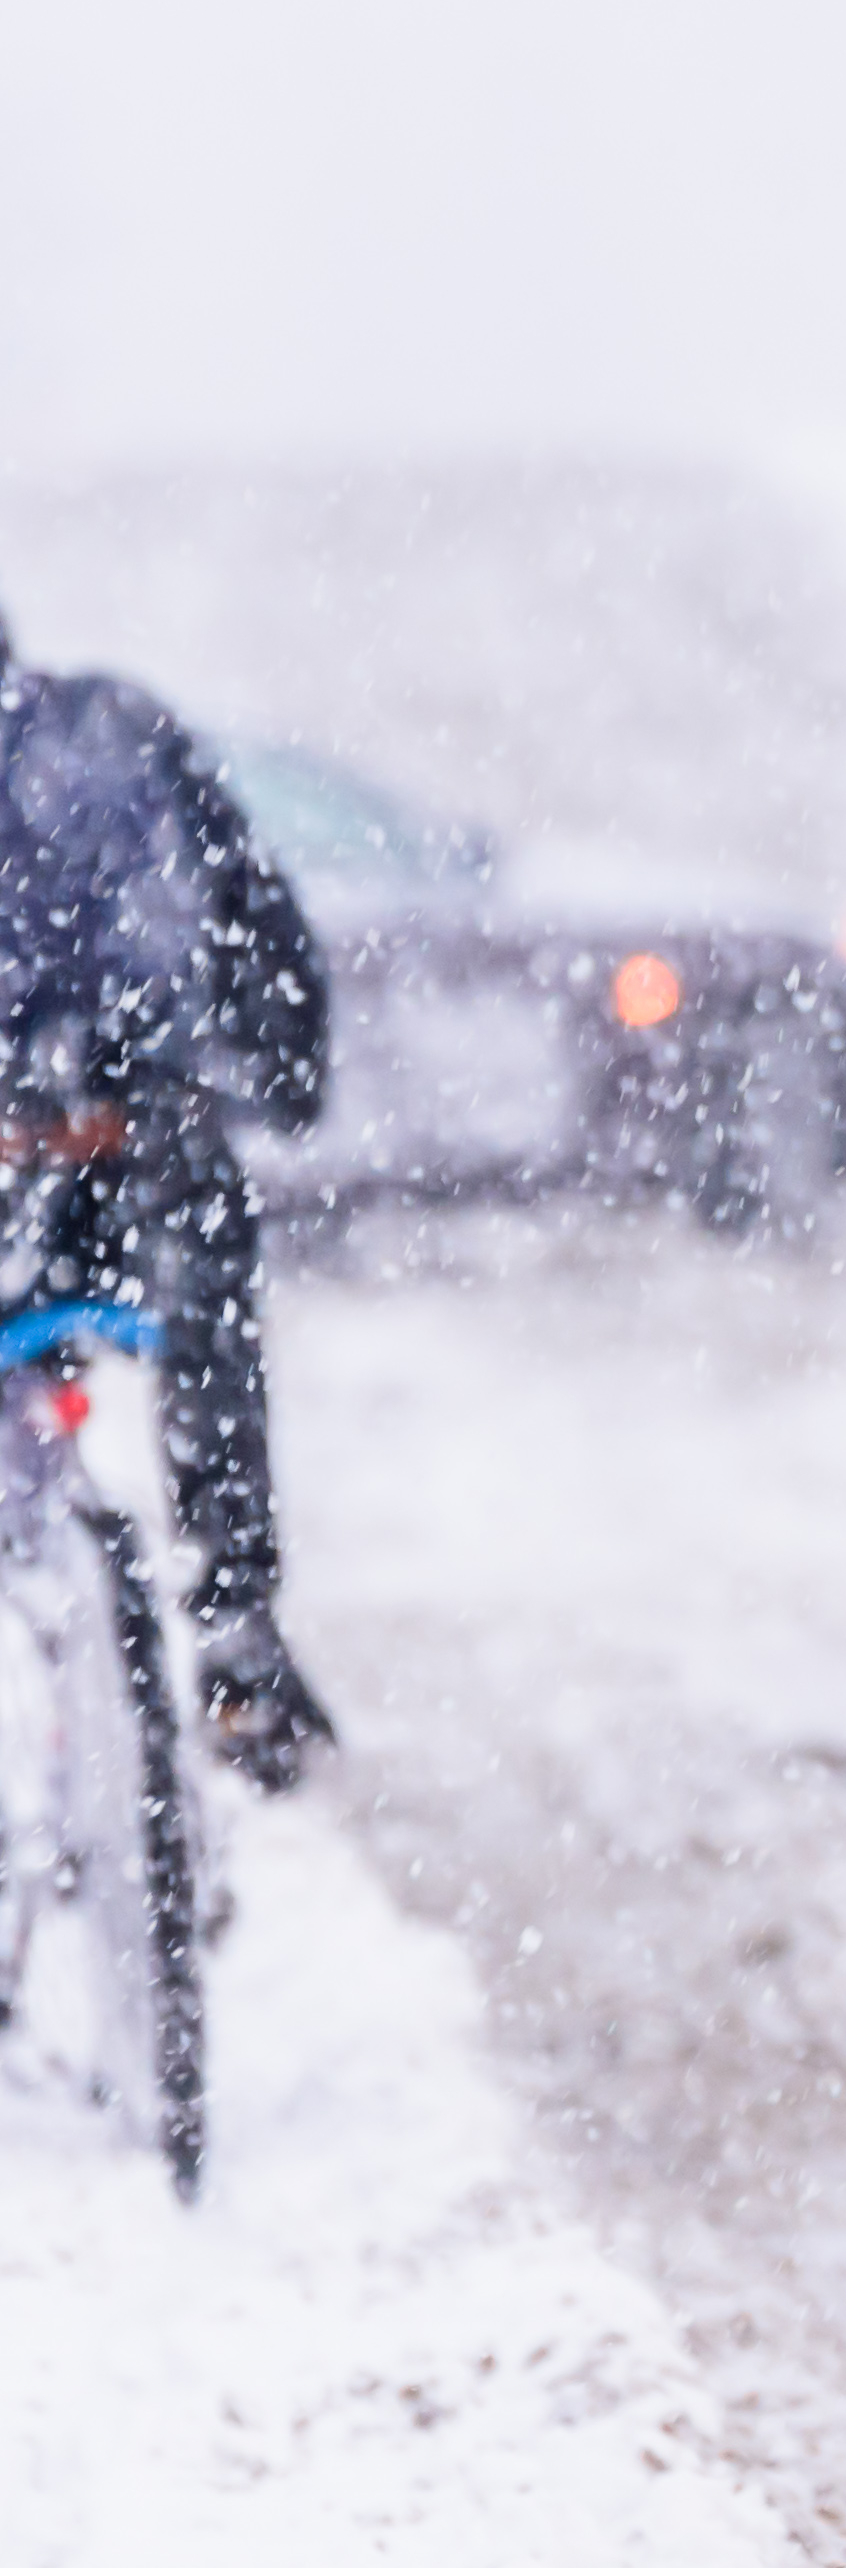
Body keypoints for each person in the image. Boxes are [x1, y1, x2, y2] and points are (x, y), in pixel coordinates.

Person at [0, 620, 336, 1787]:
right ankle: (237, 1627)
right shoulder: (108, 730)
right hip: (124, 1148)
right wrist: (282, 1073)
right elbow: (254, 917)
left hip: (61, 1156)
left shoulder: (99, 737)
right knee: (205, 1298)